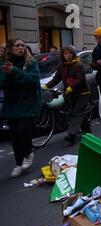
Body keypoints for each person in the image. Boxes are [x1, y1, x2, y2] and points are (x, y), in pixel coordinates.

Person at [0, 39, 41, 177]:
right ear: (10, 48)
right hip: (12, 106)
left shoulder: (31, 62)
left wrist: (15, 72)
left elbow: (33, 80)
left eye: (23, 45)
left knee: (23, 131)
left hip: (28, 104)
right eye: (17, 45)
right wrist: (8, 73)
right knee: (15, 137)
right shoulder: (4, 64)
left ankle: (28, 153)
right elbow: (2, 83)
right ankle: (18, 164)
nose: (21, 48)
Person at [44, 46, 92, 145]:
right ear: (63, 55)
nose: (68, 56)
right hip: (71, 94)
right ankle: (87, 131)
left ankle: (71, 135)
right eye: (65, 54)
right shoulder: (62, 66)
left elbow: (80, 79)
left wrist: (71, 87)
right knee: (79, 113)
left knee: (76, 113)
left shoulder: (78, 65)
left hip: (82, 93)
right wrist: (46, 86)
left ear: (73, 54)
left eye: (69, 53)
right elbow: (56, 79)